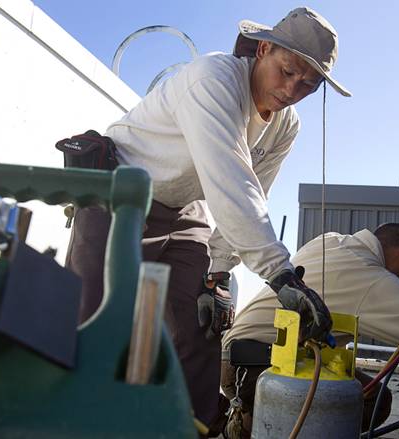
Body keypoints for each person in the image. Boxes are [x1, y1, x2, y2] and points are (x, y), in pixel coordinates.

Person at [65, 7, 349, 429]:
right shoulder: (212, 79)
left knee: (201, 324)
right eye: (287, 71)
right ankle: (72, 419)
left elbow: (256, 192)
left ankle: (191, 427)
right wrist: (281, 274)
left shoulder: (286, 124)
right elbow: (231, 181)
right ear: (264, 49)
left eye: (308, 84)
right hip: (118, 193)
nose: (292, 90)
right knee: (92, 315)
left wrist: (217, 271)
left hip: (185, 209)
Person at [220, 223, 399, 436]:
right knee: (375, 401)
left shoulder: (329, 240)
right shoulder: (372, 279)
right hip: (255, 371)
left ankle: (249, 423)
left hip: (231, 360)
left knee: (368, 391)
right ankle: (257, 423)